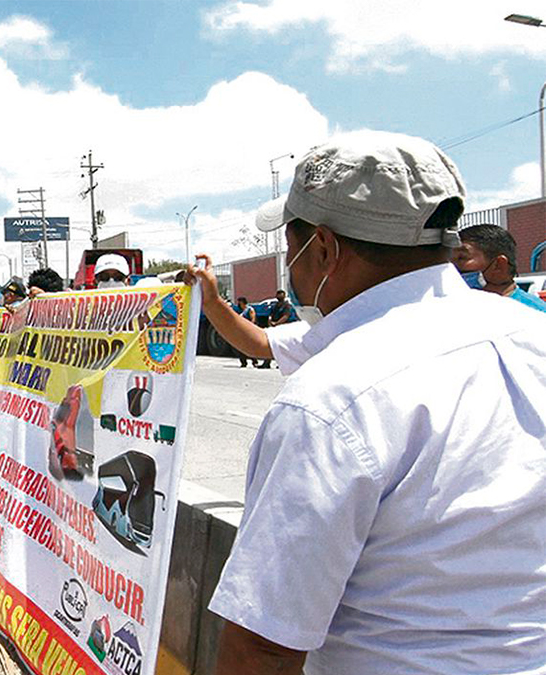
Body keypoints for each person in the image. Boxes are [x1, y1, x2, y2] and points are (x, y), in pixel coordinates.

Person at [205, 131, 546, 675]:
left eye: (290, 249)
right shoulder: (532, 335)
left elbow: (265, 644)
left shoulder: (331, 398)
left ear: (322, 248)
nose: (290, 267)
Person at [183, 255, 312, 376]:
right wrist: (210, 301)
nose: (289, 261)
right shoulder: (312, 333)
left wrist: (211, 302)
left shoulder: (317, 333)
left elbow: (256, 332)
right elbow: (257, 342)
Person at [454, 223, 546, 313]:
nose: (452, 266)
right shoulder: (460, 310)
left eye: (461, 258)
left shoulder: (536, 314)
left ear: (499, 265)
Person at [230, 297, 257, 368]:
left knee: (250, 347)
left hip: (248, 331)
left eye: (240, 302)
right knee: (241, 347)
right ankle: (243, 362)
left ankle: (254, 361)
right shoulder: (241, 311)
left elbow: (253, 320)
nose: (239, 304)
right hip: (242, 331)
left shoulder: (249, 309)